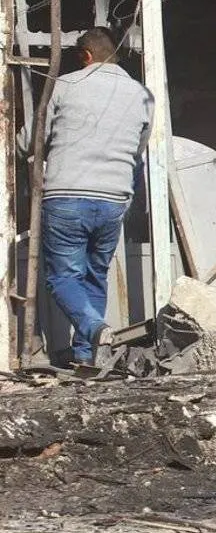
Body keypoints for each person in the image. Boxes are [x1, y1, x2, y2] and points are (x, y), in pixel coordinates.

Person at [40, 27, 153, 368]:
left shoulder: (66, 84)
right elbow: (139, 148)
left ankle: (93, 328)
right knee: (95, 275)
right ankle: (85, 358)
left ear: (86, 56)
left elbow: (35, 138)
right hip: (113, 198)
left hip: (67, 195)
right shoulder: (142, 94)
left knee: (62, 277)